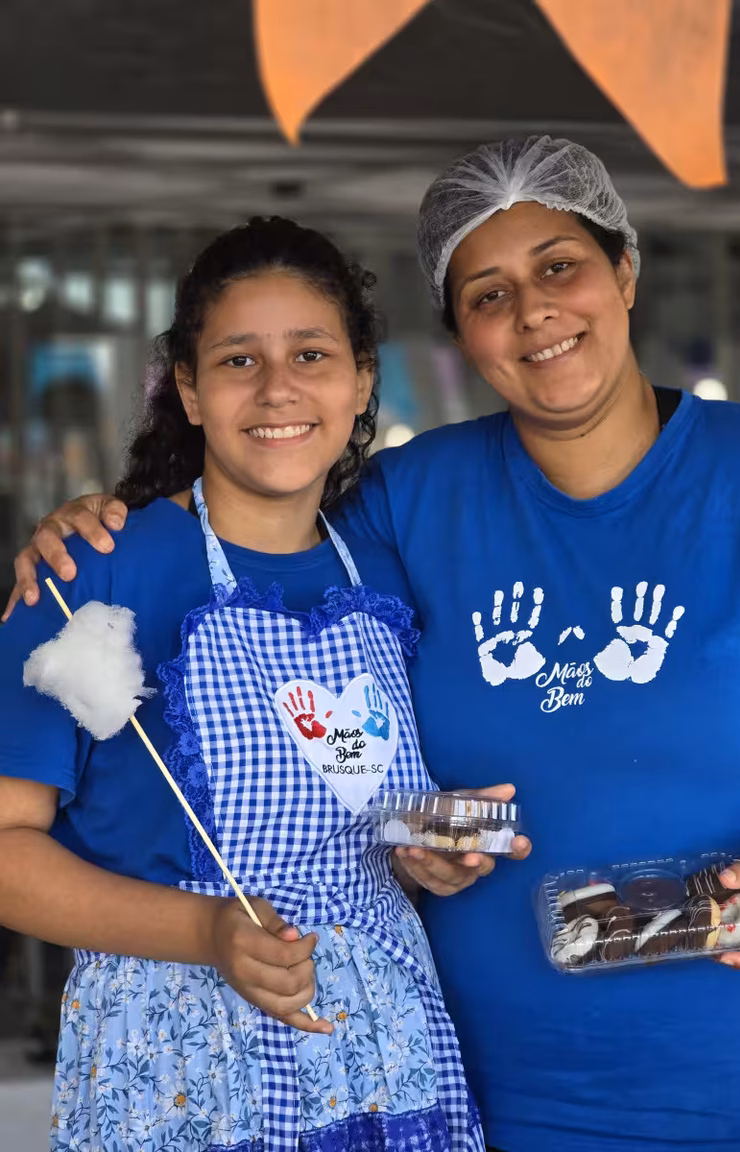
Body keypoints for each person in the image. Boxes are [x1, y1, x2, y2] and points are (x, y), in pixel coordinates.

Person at [9, 136, 740, 1152]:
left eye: (560, 266)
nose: (534, 312)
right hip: (486, 1093)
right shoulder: (407, 503)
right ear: (459, 332)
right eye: (488, 293)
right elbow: (257, 545)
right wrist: (90, 527)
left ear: (625, 272)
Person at [0, 216, 499, 1152]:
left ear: (361, 381)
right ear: (188, 390)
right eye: (238, 360)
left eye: (311, 354)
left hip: (387, 1054)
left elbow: (352, 810)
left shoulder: (387, 573)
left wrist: (420, 853)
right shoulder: (90, 571)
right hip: (177, 1066)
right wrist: (206, 931)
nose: (278, 389)